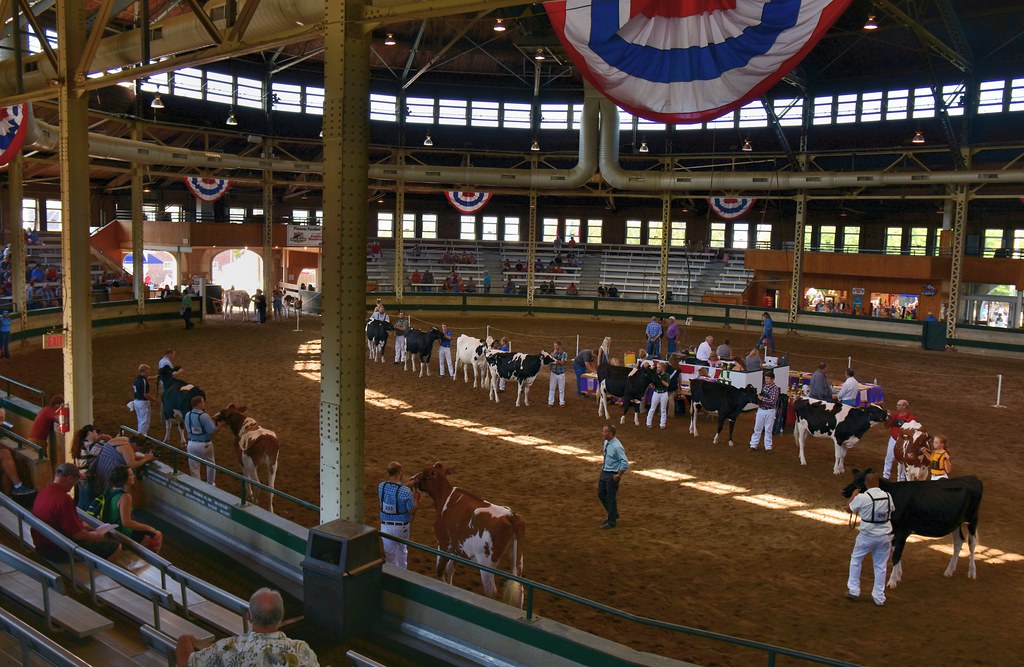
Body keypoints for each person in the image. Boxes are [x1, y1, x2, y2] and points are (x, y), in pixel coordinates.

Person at [175, 588, 319, 667]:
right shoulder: (301, 650)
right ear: (281, 615)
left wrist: (185, 640)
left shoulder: (226, 648)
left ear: (248, 616)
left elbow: (185, 663)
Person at [32, 463, 122, 562]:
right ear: (69, 478)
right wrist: (96, 536)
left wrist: (84, 527)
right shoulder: (64, 499)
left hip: (43, 543)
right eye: (75, 481)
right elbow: (77, 535)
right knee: (115, 547)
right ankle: (101, 572)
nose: (73, 485)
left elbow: (63, 522)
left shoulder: (43, 492)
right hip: (56, 548)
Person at [845, 472, 894, 607]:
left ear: (866, 484)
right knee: (880, 566)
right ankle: (879, 597)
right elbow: (891, 510)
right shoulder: (888, 496)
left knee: (856, 559)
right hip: (884, 536)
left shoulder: (862, 497)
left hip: (867, 535)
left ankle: (854, 590)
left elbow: (848, 509)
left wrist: (853, 496)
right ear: (878, 483)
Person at [101, 465, 163, 552]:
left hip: (111, 529)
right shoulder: (125, 497)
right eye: (130, 475)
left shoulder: (110, 490)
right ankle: (144, 557)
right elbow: (126, 522)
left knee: (146, 534)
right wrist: (149, 528)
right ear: (124, 479)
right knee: (157, 534)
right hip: (122, 533)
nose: (133, 476)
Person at [378, 461, 418, 569]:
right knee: (402, 554)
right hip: (401, 528)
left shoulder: (381, 486)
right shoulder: (405, 492)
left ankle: (392, 576)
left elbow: (394, 490)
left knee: (389, 557)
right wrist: (415, 498)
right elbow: (412, 510)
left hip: (385, 527)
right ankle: (402, 574)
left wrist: (408, 485)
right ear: (399, 472)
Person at [597, 424, 627, 529]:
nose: (602, 433)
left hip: (612, 474)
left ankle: (611, 521)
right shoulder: (606, 442)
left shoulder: (617, 447)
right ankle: (613, 513)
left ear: (610, 433)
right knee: (601, 494)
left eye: (604, 432)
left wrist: (618, 476)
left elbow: (625, 462)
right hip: (605, 471)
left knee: (610, 497)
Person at [184, 396, 218, 486]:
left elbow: (193, 427)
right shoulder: (204, 416)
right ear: (198, 404)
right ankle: (211, 484)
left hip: (191, 444)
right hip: (204, 445)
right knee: (211, 465)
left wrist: (210, 419)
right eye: (203, 402)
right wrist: (222, 424)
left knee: (194, 468)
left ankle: (197, 487)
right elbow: (212, 431)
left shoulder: (187, 415)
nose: (204, 403)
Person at [74, 424, 109, 508]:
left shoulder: (82, 443)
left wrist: (99, 438)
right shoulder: (88, 444)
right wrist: (104, 438)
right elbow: (106, 450)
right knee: (88, 502)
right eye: (96, 433)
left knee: (83, 500)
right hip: (87, 477)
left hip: (81, 476)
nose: (97, 435)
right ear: (90, 432)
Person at [882, 399, 916, 481]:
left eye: (898, 405)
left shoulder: (910, 418)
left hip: (904, 441)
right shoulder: (894, 416)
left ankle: (901, 478)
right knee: (889, 457)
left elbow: (913, 431)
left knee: (902, 460)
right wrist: (888, 418)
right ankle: (885, 476)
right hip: (893, 439)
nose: (897, 406)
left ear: (904, 406)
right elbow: (887, 426)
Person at [749, 371, 780, 452]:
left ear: (772, 379)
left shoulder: (775, 389)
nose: (766, 380)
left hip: (769, 410)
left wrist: (761, 398)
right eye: (765, 378)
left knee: (768, 429)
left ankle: (768, 446)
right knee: (757, 428)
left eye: (768, 378)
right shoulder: (765, 387)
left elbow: (773, 401)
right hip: (762, 409)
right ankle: (753, 445)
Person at [131, 364, 158, 437]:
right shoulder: (143, 381)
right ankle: (142, 437)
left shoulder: (137, 378)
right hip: (143, 403)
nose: (149, 373)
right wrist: (154, 401)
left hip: (136, 401)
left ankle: (139, 435)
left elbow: (147, 378)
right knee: (145, 421)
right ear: (143, 371)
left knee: (140, 420)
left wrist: (154, 377)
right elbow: (145, 394)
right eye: (147, 371)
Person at [646, 361, 673, 429]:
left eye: (659, 367)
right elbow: (652, 384)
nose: (657, 369)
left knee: (663, 409)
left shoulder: (667, 375)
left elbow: (667, 385)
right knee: (652, 408)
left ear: (662, 368)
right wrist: (652, 384)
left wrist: (660, 380)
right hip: (656, 392)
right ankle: (648, 423)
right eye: (657, 367)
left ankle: (662, 424)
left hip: (664, 393)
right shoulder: (655, 375)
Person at [547, 341, 568, 407]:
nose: (555, 347)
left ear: (559, 346)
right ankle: (550, 402)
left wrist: (554, 359)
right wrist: (553, 355)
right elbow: (548, 361)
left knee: (561, 389)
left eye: (556, 345)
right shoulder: (552, 353)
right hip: (553, 373)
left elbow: (562, 363)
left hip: (561, 373)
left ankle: (561, 402)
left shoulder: (564, 353)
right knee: (552, 388)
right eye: (554, 345)